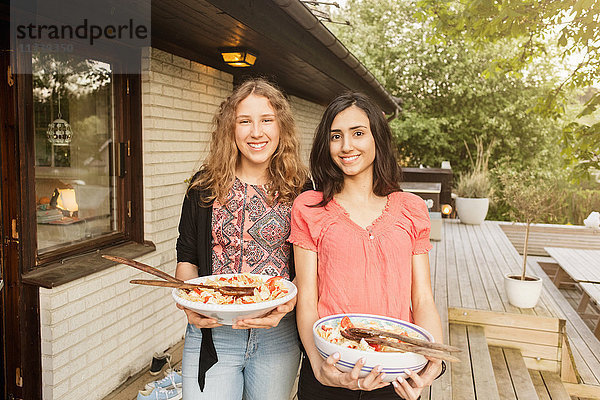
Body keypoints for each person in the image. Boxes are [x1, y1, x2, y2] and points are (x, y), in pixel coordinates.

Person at [289, 92, 444, 400]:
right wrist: (319, 367)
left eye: (358, 133)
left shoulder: (410, 209)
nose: (347, 146)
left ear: (377, 139)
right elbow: (307, 297)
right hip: (331, 371)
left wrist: (434, 360)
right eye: (336, 136)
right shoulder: (309, 208)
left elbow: (422, 297)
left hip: (394, 371)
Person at [175, 78, 308, 399]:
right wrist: (188, 303)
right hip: (213, 332)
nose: (256, 132)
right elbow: (187, 259)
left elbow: (309, 269)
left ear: (281, 128)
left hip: (278, 335)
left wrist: (288, 304)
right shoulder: (203, 187)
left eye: (266, 120)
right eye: (244, 121)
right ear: (229, 129)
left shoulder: (302, 189)